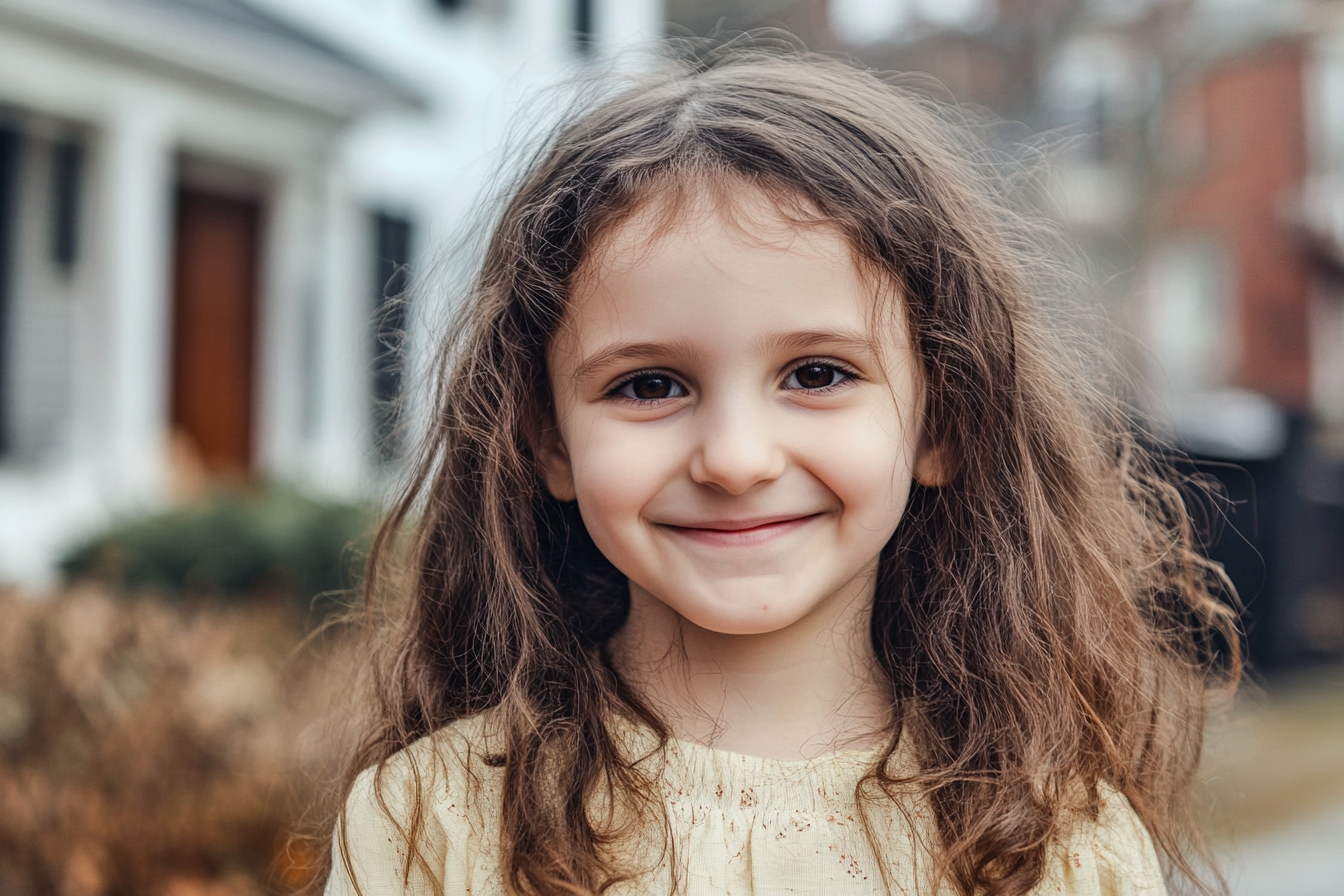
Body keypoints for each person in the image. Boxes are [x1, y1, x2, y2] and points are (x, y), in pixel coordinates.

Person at [320, 42, 1240, 896]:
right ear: (548, 442)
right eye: (649, 385)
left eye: (817, 374)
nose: (735, 458)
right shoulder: (426, 822)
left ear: (942, 421)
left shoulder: (1059, 844)